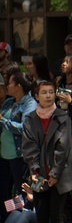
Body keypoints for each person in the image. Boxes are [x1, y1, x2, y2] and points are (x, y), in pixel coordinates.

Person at [21, 80, 72, 223]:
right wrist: (34, 170)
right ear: (36, 96)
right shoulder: (31, 119)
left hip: (60, 173)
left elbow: (63, 148)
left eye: (51, 92)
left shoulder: (62, 116)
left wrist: (54, 173)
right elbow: (28, 146)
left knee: (56, 215)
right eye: (44, 92)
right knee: (41, 216)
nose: (48, 95)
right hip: (39, 175)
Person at [1, 72, 37, 209]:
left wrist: (3, 121)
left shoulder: (30, 103)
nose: (7, 86)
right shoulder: (9, 102)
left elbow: (24, 128)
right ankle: (6, 222)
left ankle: (22, 221)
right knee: (3, 191)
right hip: (3, 154)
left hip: (18, 155)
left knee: (22, 192)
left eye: (10, 83)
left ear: (18, 86)